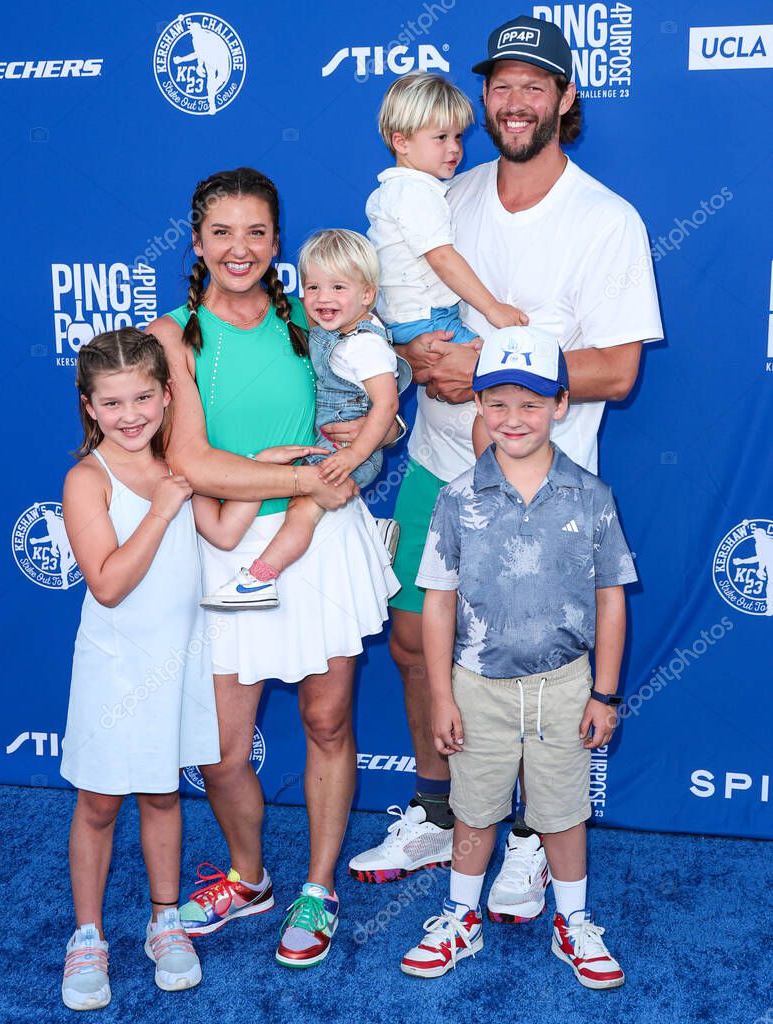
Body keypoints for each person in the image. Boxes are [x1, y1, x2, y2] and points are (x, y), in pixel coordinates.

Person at [349, 14, 663, 916]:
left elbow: (618, 370)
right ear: (481, 98)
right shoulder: (443, 189)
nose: (514, 100)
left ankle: (529, 836)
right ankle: (439, 810)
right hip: (434, 464)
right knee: (415, 644)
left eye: (535, 84)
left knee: (533, 665)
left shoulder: (606, 219)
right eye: (501, 85)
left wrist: (487, 366)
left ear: (565, 97)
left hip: (539, 490)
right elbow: (394, 307)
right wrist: (410, 358)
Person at [147, 167, 400, 968]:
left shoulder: (313, 313)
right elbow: (192, 460)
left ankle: (318, 887)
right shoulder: (171, 337)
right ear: (196, 241)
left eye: (256, 232)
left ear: (276, 241)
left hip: (321, 537)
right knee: (221, 751)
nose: (240, 248)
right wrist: (299, 476)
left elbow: (374, 399)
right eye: (222, 232)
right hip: (228, 542)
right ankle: (248, 877)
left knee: (326, 723)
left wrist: (374, 435)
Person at [400, 327, 634, 988]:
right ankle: (460, 917)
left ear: (560, 405)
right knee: (474, 809)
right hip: (477, 685)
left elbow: (610, 599)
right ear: (476, 405)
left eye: (531, 403)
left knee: (561, 811)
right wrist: (442, 695)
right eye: (497, 403)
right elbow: (438, 601)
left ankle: (573, 920)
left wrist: (604, 692)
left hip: (565, 686)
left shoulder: (591, 496)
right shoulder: (456, 498)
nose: (514, 418)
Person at [59, 329, 221, 1010]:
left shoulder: (180, 467)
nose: (131, 415)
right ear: (89, 406)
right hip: (114, 669)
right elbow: (108, 583)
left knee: (161, 793)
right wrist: (161, 508)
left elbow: (223, 531)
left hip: (177, 662)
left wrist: (267, 471)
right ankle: (87, 936)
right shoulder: (87, 479)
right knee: (100, 802)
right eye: (113, 402)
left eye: (143, 398)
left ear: (166, 395)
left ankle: (165, 920)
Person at [198, 229, 411, 610]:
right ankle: (371, 536)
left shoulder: (365, 344)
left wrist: (355, 454)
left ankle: (260, 578)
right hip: (331, 444)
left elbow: (386, 404)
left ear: (367, 295)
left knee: (301, 511)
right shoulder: (332, 329)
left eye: (338, 287)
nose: (323, 298)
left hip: (347, 452)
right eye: (313, 288)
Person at [366, 71, 527, 350]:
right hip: (429, 320)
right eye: (440, 137)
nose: (454, 148)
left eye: (458, 136)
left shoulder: (395, 189)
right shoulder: (414, 192)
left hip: (412, 319)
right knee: (494, 362)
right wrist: (492, 308)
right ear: (401, 142)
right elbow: (441, 257)